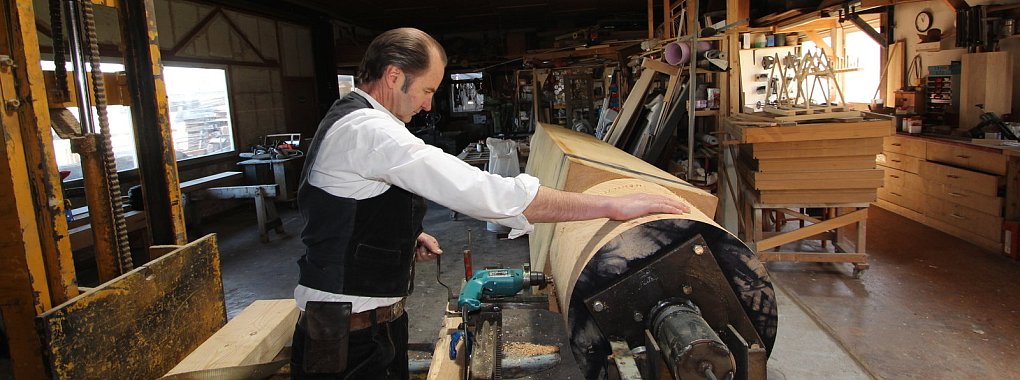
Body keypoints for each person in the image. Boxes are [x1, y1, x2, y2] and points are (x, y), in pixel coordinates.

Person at [290, 27, 689, 380]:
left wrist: (404, 233)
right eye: (427, 90)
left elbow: (348, 205)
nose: (428, 105)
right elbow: (485, 193)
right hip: (349, 335)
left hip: (364, 323)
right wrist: (608, 206)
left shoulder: (356, 119)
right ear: (394, 76)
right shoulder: (369, 131)